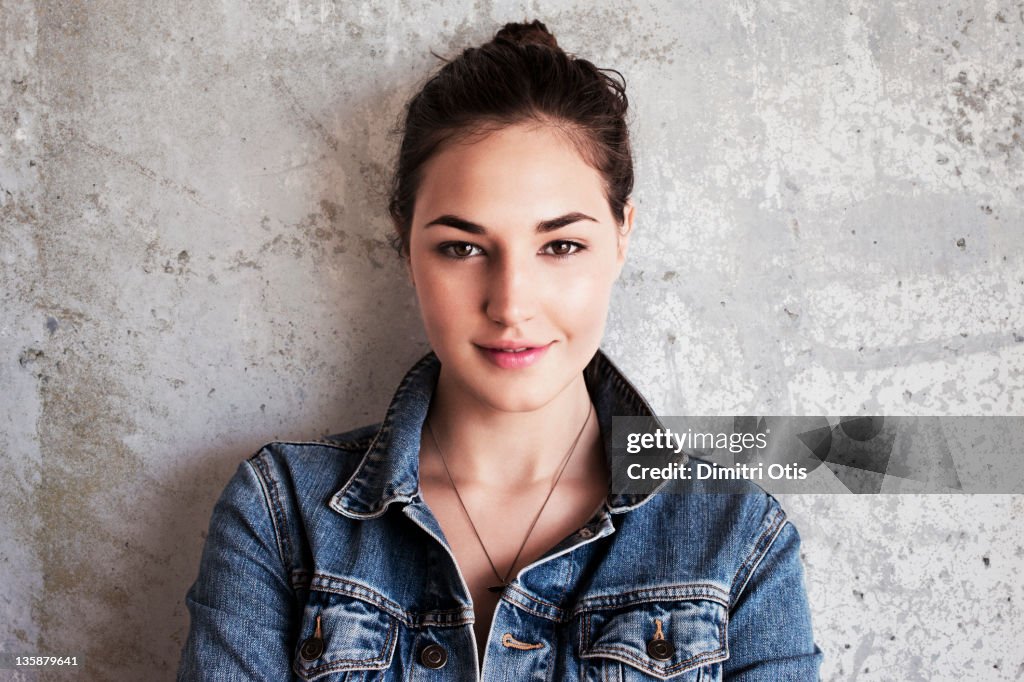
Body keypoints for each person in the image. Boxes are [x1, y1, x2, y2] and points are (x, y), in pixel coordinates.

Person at [177, 20, 823, 681]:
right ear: (406, 244)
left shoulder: (737, 540)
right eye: (462, 248)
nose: (511, 304)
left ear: (622, 235)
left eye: (561, 246)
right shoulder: (282, 514)